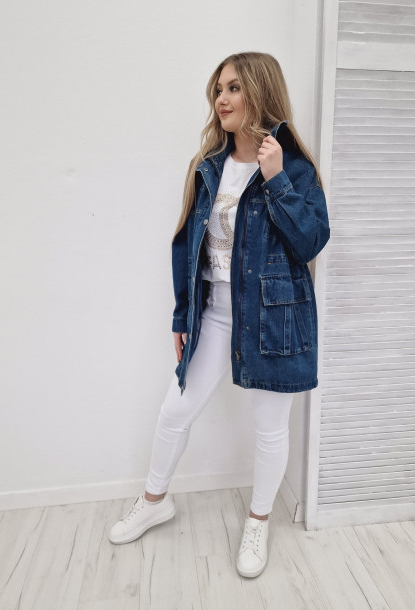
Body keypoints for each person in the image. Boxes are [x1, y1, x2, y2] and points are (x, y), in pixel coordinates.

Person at [109, 51, 330, 578]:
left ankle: (258, 521)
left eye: (233, 88)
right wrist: (182, 315)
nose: (221, 99)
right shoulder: (208, 165)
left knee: (269, 427)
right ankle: (155, 500)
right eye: (218, 90)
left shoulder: (293, 167)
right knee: (175, 411)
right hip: (214, 314)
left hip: (274, 317)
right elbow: (186, 245)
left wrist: (276, 180)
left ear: (259, 90)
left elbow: (311, 242)